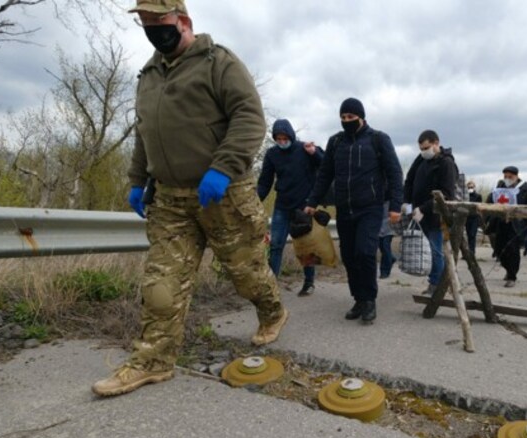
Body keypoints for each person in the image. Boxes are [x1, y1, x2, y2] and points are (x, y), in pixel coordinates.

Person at [94, 0, 285, 397]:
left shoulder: (219, 62)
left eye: (158, 21)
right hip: (170, 201)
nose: (151, 29)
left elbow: (250, 117)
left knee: (246, 274)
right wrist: (136, 179)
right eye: (145, 23)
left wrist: (223, 167)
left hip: (223, 195)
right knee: (161, 286)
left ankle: (272, 311)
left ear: (183, 21)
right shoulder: (148, 74)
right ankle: (152, 361)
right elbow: (145, 131)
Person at [305, 98, 403, 324]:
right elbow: (325, 174)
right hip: (344, 208)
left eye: (350, 117)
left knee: (365, 252)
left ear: (361, 117)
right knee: (349, 256)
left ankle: (369, 300)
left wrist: (396, 205)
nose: (346, 121)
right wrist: (312, 201)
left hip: (370, 207)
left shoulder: (378, 139)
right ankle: (358, 298)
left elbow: (395, 173)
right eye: (343, 117)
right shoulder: (335, 142)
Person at [257, 119, 324, 296]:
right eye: (278, 138)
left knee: (305, 247)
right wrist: (255, 201)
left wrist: (315, 153)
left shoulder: (304, 149)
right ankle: (271, 286)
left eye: (284, 137)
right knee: (276, 246)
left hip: (303, 207)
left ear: (290, 135)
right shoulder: (272, 155)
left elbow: (325, 166)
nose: (281, 141)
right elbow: (265, 182)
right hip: (282, 207)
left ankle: (309, 283)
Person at [403, 130, 459, 296]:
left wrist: (424, 208)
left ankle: (437, 285)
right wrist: (406, 201)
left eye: (426, 147)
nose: (424, 151)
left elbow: (446, 194)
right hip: (418, 213)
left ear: (436, 143)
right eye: (421, 148)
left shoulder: (446, 164)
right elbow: (409, 180)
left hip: (435, 216)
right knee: (425, 250)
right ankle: (435, 281)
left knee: (435, 251)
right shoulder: (421, 159)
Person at [486, 166, 527, 287]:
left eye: (510, 177)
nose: (507, 179)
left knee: (513, 250)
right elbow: (489, 201)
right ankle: (508, 269)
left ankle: (512, 276)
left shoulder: (526, 189)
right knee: (499, 249)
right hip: (500, 223)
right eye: (505, 176)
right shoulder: (500, 187)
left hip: (516, 225)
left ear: (516, 176)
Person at [378, 196, 397, 279]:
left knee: (385, 246)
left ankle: (384, 271)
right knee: (381, 244)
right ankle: (391, 258)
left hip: (389, 220)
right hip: (378, 219)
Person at [465, 180, 483, 256]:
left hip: (475, 218)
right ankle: (469, 251)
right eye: (469, 187)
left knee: (472, 234)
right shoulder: (465, 196)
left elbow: (480, 207)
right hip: (467, 218)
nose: (470, 188)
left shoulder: (478, 196)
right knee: (469, 235)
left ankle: (472, 252)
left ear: (474, 187)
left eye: (471, 187)